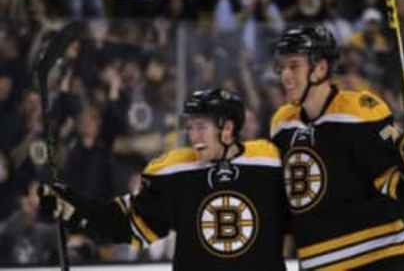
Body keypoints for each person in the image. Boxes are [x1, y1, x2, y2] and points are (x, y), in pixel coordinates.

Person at [39, 89, 288, 270]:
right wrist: (75, 209)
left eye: (201, 126)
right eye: (190, 127)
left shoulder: (269, 161)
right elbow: (126, 224)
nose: (193, 136)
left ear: (228, 128)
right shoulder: (175, 173)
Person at [270, 25, 404, 270]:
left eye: (294, 66)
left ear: (320, 68)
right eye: (282, 67)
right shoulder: (282, 125)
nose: (285, 75)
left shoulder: (359, 113)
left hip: (381, 262)